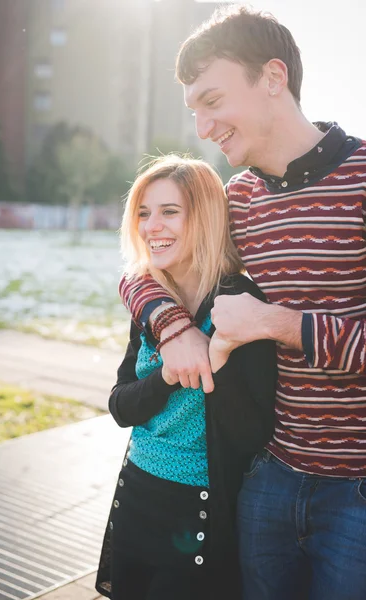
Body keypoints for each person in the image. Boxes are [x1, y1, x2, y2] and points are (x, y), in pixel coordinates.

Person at [117, 5, 366, 600]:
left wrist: (278, 325)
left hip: (356, 490)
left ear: (273, 78)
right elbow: (146, 265)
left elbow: (271, 324)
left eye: (212, 100)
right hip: (265, 476)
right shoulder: (240, 198)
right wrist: (173, 326)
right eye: (194, 110)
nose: (203, 128)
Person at [95, 155, 276, 600]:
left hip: (198, 511)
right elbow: (121, 406)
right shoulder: (154, 303)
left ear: (206, 218)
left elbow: (253, 433)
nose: (151, 226)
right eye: (143, 213)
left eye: (169, 212)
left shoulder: (238, 302)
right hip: (136, 495)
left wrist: (217, 355)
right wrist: (169, 374)